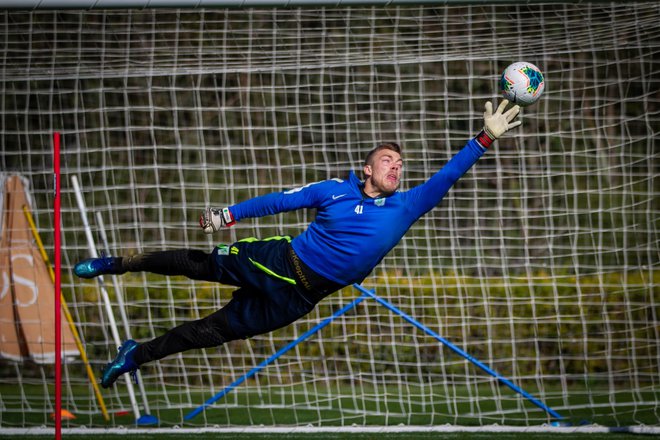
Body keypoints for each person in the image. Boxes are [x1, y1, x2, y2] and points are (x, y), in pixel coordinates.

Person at [74, 100, 521, 388]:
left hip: (303, 297)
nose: (396, 167)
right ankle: (115, 263)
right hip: (279, 260)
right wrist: (227, 215)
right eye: (387, 160)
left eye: (401, 163)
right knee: (197, 266)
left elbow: (446, 176)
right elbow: (278, 202)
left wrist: (484, 138)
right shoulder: (334, 190)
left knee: (210, 333)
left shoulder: (405, 207)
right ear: (365, 169)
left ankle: (136, 354)